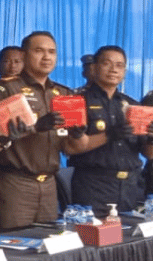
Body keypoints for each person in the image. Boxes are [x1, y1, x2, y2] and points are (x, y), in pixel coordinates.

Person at [0, 31, 88, 229]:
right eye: (39, 51)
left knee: (47, 242)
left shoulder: (63, 94)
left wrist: (78, 134)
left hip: (49, 185)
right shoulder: (6, 89)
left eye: (52, 52)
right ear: (24, 55)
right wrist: (36, 127)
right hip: (14, 183)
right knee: (14, 243)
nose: (46, 57)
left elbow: (71, 148)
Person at [65, 46, 153, 216]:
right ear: (94, 67)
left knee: (130, 232)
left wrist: (151, 137)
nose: (113, 69)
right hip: (94, 185)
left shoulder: (133, 105)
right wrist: (110, 135)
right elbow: (70, 148)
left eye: (120, 65)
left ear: (125, 71)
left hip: (130, 187)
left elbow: (149, 154)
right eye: (107, 63)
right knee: (92, 232)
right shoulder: (77, 102)